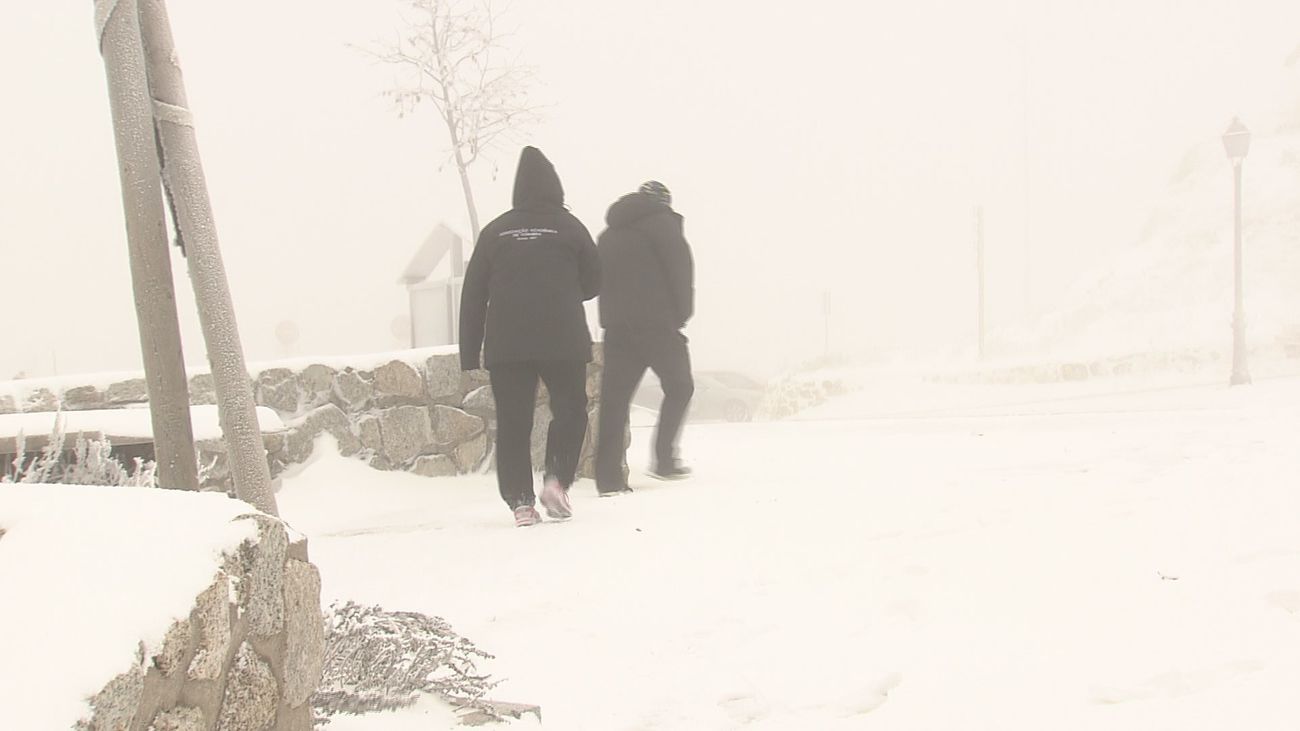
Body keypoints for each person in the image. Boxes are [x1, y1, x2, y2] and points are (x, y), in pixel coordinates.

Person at [459, 146, 600, 527]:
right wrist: (565, 290)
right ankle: (556, 480)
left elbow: (473, 295)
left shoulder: (496, 231)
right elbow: (594, 281)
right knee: (570, 410)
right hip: (563, 338)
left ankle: (521, 503)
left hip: (508, 344)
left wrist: (470, 353)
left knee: (514, 421)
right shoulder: (570, 227)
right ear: (556, 187)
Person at [594, 180, 695, 496]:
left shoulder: (607, 236)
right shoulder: (665, 226)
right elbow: (681, 273)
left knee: (615, 401)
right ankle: (664, 459)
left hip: (617, 329)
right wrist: (679, 316)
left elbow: (597, 280)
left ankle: (608, 479)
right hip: (657, 325)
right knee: (680, 387)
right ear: (664, 202)